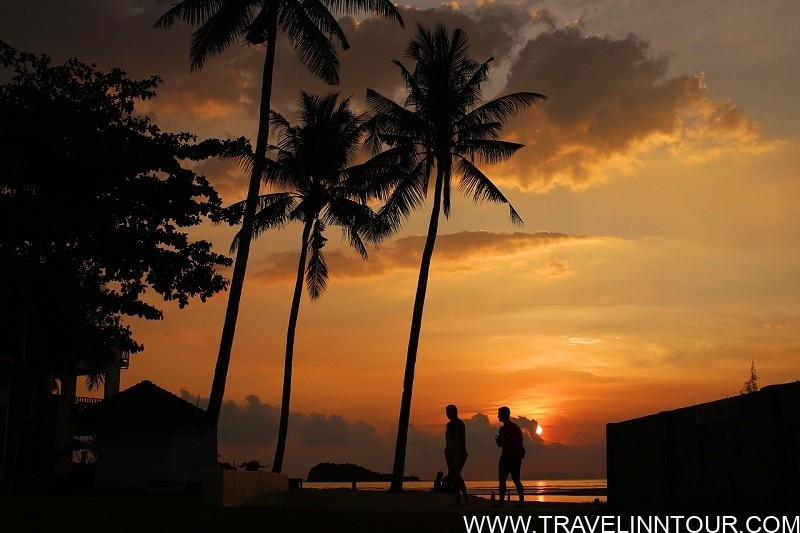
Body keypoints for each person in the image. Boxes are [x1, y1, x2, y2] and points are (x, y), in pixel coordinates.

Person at [493, 406, 525, 508]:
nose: (498, 415)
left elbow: (518, 442)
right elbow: (500, 445)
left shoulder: (514, 428)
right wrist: (499, 442)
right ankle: (501, 502)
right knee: (502, 479)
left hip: (514, 457)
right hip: (505, 456)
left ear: (505, 415)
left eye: (499, 413)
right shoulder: (502, 429)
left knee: (516, 479)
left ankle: (521, 502)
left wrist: (505, 442)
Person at [444, 404, 470, 506]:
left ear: (454, 412)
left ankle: (460, 500)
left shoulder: (459, 424)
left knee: (455, 476)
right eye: (446, 412)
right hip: (449, 453)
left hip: (458, 453)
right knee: (456, 476)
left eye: (448, 412)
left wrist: (462, 453)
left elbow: (462, 439)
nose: (447, 414)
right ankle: (464, 499)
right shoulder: (449, 425)